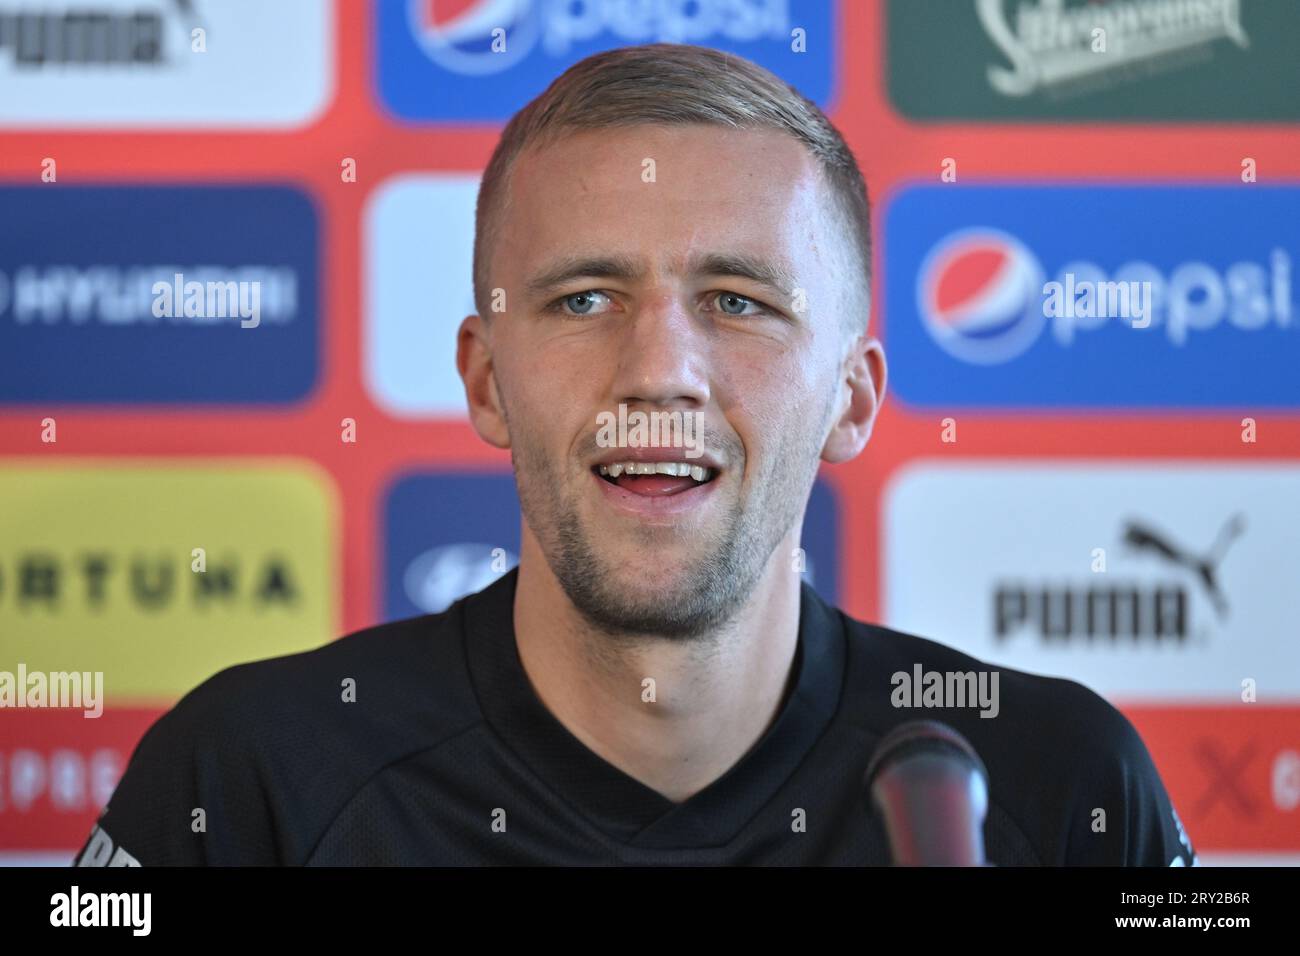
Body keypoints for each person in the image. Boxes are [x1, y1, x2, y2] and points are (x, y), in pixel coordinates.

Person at [73, 43, 1197, 866]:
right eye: (585, 296)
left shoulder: (1063, 787)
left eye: (739, 300)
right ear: (484, 380)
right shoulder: (247, 777)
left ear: (852, 397)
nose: (659, 369)